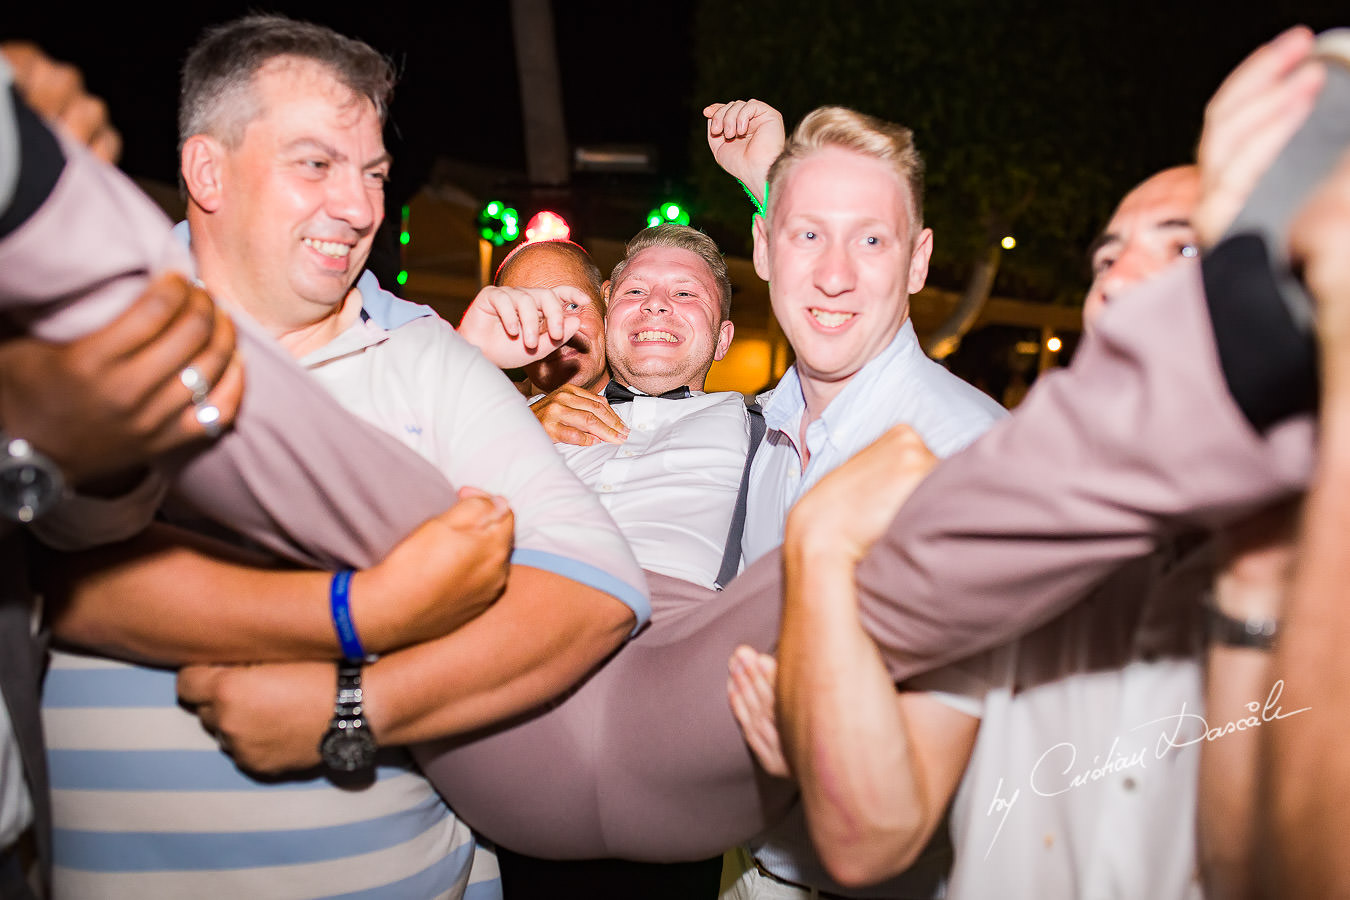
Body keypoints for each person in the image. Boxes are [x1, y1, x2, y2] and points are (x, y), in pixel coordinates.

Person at [40, 15, 647, 899]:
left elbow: (601, 591)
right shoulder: (77, 335)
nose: (361, 208)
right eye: (315, 164)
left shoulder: (422, 350)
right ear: (207, 169)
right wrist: (364, 611)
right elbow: (63, 566)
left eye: (372, 174)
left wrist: (347, 710)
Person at [706, 100, 1005, 898]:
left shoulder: (967, 456)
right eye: (808, 235)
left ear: (918, 260)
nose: (834, 275)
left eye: (872, 240)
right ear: (765, 247)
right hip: (750, 866)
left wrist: (815, 736)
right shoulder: (764, 425)